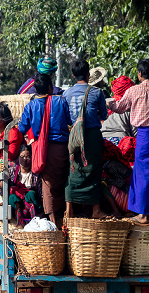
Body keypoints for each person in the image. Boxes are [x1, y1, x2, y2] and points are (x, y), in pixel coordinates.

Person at [107, 59, 149, 225]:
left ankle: (142, 215)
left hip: (145, 136)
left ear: (140, 74)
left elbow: (119, 107)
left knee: (142, 174)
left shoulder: (134, 91)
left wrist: (107, 102)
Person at [13, 73, 71, 228]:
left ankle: (53, 223)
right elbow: (70, 120)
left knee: (48, 186)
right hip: (62, 149)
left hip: (41, 151)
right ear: (51, 87)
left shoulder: (31, 106)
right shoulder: (60, 101)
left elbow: (22, 128)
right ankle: (67, 217)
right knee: (64, 181)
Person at [62, 58, 109, 219]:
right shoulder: (97, 92)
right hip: (92, 136)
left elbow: (66, 119)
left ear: (73, 75)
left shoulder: (66, 94)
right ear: (88, 74)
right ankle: (96, 210)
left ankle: (70, 210)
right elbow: (104, 115)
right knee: (94, 171)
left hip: (74, 136)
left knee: (73, 170)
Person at [8, 147, 43, 226]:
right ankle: (19, 220)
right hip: (18, 205)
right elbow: (1, 190)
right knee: (12, 197)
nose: (25, 159)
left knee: (31, 194)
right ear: (18, 158)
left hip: (32, 206)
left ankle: (33, 220)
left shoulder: (36, 175)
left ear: (31, 158)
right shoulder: (12, 172)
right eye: (22, 156)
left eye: (27, 156)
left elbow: (41, 195)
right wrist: (3, 176)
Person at [101, 75, 136, 140]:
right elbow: (134, 130)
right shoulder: (128, 106)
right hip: (122, 140)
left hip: (103, 139)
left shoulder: (104, 102)